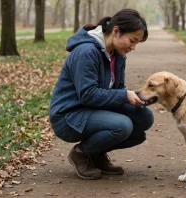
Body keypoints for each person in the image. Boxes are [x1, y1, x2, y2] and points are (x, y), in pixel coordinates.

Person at [49, 9, 154, 180]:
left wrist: (133, 98)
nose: (133, 47)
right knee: (122, 126)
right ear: (116, 31)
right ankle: (81, 154)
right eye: (132, 41)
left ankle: (96, 154)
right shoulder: (86, 52)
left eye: (137, 43)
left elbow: (118, 88)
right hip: (69, 116)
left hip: (92, 109)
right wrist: (123, 96)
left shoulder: (118, 55)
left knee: (144, 118)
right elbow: (88, 95)